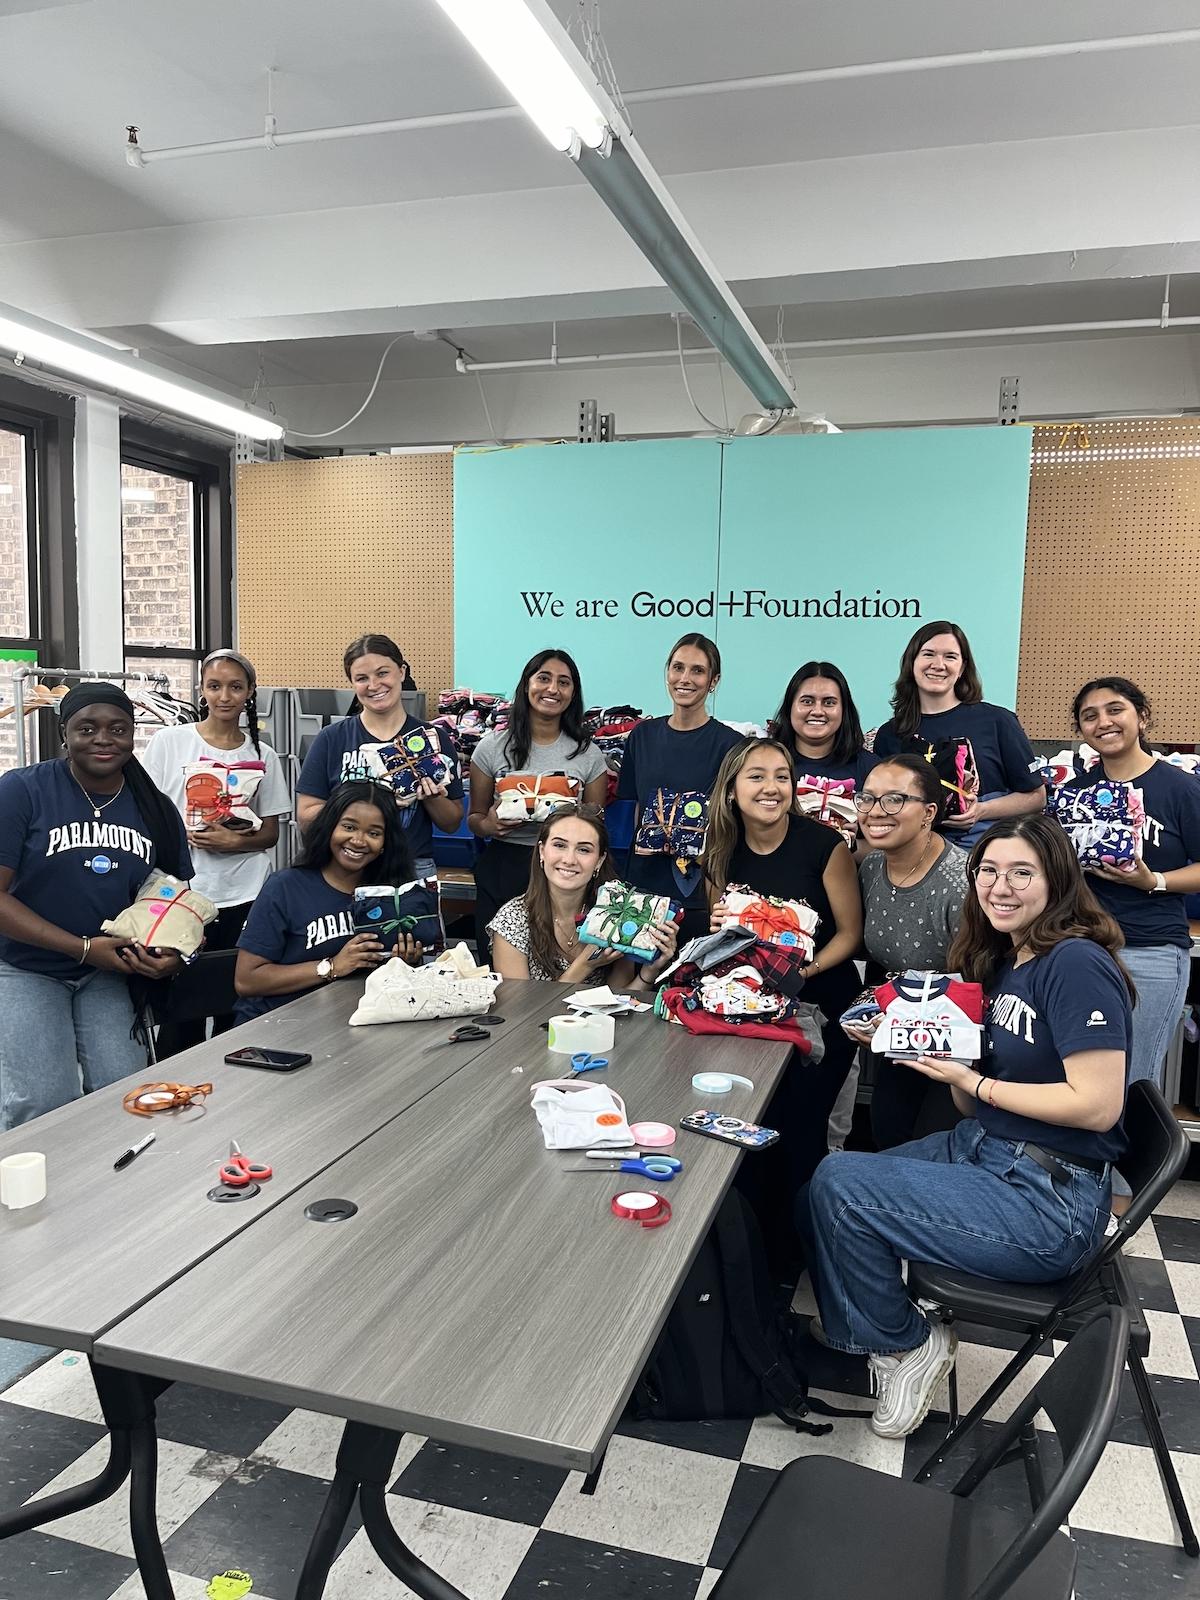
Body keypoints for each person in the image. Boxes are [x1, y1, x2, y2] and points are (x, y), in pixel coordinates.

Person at [802, 816, 1131, 1438]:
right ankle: (877, 1323)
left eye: (1021, 872)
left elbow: (1097, 1106)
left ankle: (904, 1343)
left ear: (1058, 879)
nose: (999, 886)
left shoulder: (1077, 962)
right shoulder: (1010, 960)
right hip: (988, 1148)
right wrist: (919, 1046)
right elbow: (971, 1109)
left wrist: (974, 1080)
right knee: (817, 1184)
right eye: (988, 871)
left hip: (1048, 1202)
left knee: (842, 1187)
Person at [702, 738, 863, 1270]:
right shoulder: (720, 848)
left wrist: (804, 971)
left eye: (781, 776)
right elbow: (722, 938)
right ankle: (751, 1251)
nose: (771, 787)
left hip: (818, 1007)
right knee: (749, 1120)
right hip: (751, 1011)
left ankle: (802, 1255)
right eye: (756, 776)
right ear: (731, 788)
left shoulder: (823, 846)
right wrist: (718, 932)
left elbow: (849, 934)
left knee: (801, 1125)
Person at [0, 683, 192, 1128]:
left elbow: (172, 903)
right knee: (44, 1103)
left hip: (107, 972)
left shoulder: (156, 809)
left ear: (132, 736)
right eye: (87, 728)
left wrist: (174, 955)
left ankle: (115, 1191)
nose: (103, 739)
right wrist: (81, 947)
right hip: (27, 968)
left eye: (117, 729)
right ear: (64, 733)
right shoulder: (22, 791)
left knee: (126, 1093)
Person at [142, 648, 290, 1052]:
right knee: (182, 1002)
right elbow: (146, 815)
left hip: (245, 893)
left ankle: (231, 1087)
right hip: (182, 891)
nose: (225, 696)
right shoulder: (170, 742)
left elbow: (272, 833)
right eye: (215, 686)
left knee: (232, 999)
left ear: (250, 693)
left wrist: (234, 840)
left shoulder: (264, 755)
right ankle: (174, 1084)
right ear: (202, 690)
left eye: (235, 687)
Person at [1064, 677, 1200, 1091]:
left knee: (1131, 1081)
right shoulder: (1072, 794)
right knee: (1076, 1079)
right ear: (1082, 731)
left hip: (1151, 951)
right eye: (1090, 716)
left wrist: (1152, 880)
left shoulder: (1180, 788)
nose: (1103, 722)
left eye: (1115, 709)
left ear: (1141, 718)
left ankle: (1131, 1159)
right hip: (1082, 950)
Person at [850, 755, 970, 1148]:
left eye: (895, 800)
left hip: (957, 1051)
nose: (875, 812)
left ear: (928, 813)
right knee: (888, 1138)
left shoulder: (961, 883)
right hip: (898, 1038)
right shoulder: (871, 867)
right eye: (867, 798)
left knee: (930, 1155)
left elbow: (979, 984)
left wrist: (902, 1027)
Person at [234, 780, 423, 1023]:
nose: (358, 840)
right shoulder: (285, 887)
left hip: (351, 1023)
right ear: (329, 827)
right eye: (349, 827)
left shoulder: (393, 895)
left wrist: (405, 964)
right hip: (277, 1027)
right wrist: (332, 967)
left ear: (387, 843)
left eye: (374, 833)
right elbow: (246, 980)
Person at [469, 649, 609, 957]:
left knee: (558, 964)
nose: (552, 689)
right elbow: (475, 818)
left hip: (564, 872)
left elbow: (597, 824)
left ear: (573, 693)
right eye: (543, 678)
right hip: (506, 865)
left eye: (564, 682)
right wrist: (489, 825)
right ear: (527, 684)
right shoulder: (491, 748)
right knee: (497, 968)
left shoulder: (588, 754)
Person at [296, 634, 463, 880]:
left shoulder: (433, 738)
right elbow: (306, 818)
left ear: (402, 672)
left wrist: (432, 798)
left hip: (411, 870)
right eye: (362, 678)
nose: (373, 685)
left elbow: (451, 824)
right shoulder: (331, 739)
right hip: (345, 867)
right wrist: (363, 807)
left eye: (382, 673)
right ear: (352, 683)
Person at [873, 621, 1044, 849]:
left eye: (950, 656)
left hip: (985, 855)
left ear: (962, 668)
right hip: (912, 855)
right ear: (911, 662)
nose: (938, 664)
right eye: (928, 654)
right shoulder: (889, 734)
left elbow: (1036, 797)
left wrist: (982, 810)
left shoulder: (998, 721)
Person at [618, 633, 743, 939]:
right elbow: (632, 810)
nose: (685, 678)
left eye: (698, 670)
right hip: (642, 892)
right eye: (678, 668)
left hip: (700, 894)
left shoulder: (731, 745)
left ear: (714, 681)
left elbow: (733, 823)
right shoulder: (641, 737)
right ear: (668, 673)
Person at [489, 802, 678, 987]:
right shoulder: (512, 919)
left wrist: (650, 970)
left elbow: (621, 1001)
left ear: (599, 860)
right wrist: (586, 964)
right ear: (542, 852)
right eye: (559, 845)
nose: (569, 859)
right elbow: (518, 1010)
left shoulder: (617, 911)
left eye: (584, 850)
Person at [767, 660, 879, 789]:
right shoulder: (765, 762)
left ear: (844, 710)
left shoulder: (870, 768)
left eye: (829, 703)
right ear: (789, 707)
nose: (818, 711)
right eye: (807, 701)